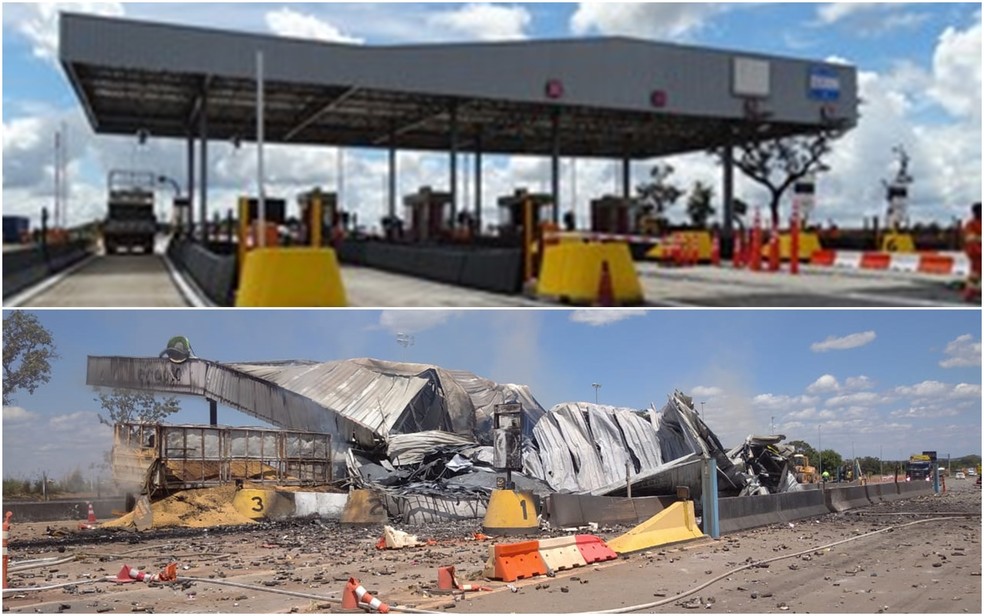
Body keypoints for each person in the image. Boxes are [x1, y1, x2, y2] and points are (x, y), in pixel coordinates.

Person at [964, 202, 981, 302]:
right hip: (976, 254)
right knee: (975, 275)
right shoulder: (971, 224)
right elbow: (971, 239)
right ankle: (969, 294)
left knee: (976, 275)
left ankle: (973, 292)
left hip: (977, 253)